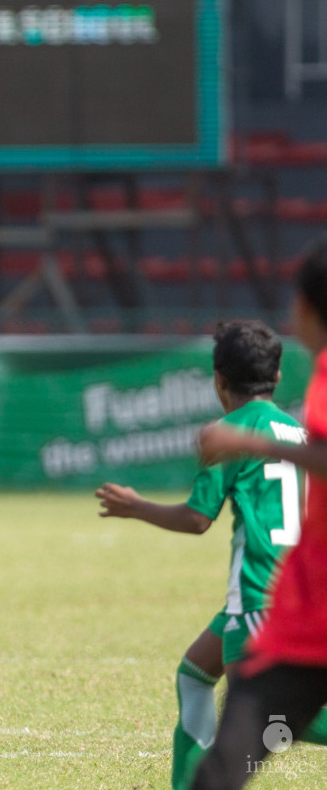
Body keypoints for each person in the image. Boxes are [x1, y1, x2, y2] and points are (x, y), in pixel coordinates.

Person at [95, 320, 325, 790]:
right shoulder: (297, 431)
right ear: (278, 377)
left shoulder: (230, 432)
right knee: (195, 672)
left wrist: (135, 507)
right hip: (288, 585)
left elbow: (198, 519)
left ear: (218, 380)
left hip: (262, 593)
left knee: (265, 718)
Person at [192, 240, 327, 789]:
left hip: (301, 613)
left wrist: (250, 443)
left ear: (305, 308)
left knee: (227, 767)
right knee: (224, 768)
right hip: (299, 615)